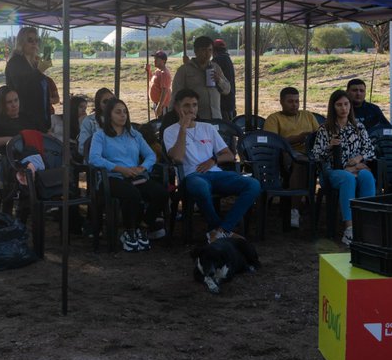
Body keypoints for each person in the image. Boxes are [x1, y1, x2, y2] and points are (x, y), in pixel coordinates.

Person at [163, 88, 260, 243]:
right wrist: (183, 129)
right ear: (177, 107)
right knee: (200, 187)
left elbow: (228, 154)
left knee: (253, 184)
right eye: (186, 105)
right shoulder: (170, 131)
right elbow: (178, 158)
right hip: (191, 176)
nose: (191, 109)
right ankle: (219, 230)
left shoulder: (207, 128)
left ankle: (222, 230)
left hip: (215, 173)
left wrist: (213, 160)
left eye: (194, 105)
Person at [89, 98, 169, 251]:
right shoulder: (100, 136)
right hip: (112, 177)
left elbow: (151, 155)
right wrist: (119, 168)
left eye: (125, 111)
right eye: (118, 112)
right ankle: (129, 232)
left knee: (161, 193)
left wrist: (142, 168)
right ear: (109, 115)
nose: (123, 115)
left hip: (135, 176)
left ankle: (143, 226)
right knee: (132, 194)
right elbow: (94, 158)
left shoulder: (133, 134)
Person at [309, 89, 377, 246]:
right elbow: (315, 155)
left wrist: (359, 158)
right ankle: (349, 229)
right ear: (333, 107)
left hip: (356, 168)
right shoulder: (325, 128)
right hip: (333, 172)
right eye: (339, 105)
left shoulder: (358, 127)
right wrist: (329, 146)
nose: (343, 108)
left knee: (367, 176)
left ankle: (366, 225)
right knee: (347, 179)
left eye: (346, 104)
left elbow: (370, 150)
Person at [263, 86, 320, 228]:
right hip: (283, 156)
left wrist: (309, 139)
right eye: (290, 101)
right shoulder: (274, 119)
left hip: (310, 154)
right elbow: (271, 142)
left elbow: (319, 136)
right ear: (281, 102)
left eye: (297, 101)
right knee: (300, 164)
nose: (294, 104)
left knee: (308, 163)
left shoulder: (308, 116)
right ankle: (295, 209)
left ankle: (304, 206)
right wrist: (296, 138)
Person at [171, 36, 230, 120]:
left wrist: (219, 80)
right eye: (203, 50)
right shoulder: (184, 70)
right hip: (195, 119)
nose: (207, 54)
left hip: (216, 118)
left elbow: (227, 90)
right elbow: (175, 95)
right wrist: (171, 117)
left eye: (210, 50)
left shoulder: (216, 67)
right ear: (196, 51)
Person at [5, 26, 50, 132]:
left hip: (40, 120)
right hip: (24, 120)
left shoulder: (35, 63)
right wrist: (39, 71)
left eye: (36, 40)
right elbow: (21, 87)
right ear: (22, 42)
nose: (34, 43)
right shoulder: (15, 62)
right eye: (30, 40)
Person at [77, 87, 115, 157]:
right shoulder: (89, 121)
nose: (109, 104)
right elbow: (82, 148)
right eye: (105, 101)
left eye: (112, 100)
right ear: (99, 104)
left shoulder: (120, 119)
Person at [212, 38, 237, 121]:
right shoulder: (227, 59)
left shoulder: (216, 61)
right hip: (230, 99)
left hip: (223, 101)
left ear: (213, 50)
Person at [148, 50, 172, 118]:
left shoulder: (164, 73)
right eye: (154, 59)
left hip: (163, 105)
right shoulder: (158, 71)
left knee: (162, 123)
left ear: (163, 61)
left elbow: (164, 91)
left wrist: (159, 106)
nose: (154, 61)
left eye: (157, 59)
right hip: (157, 103)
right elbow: (152, 81)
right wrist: (149, 71)